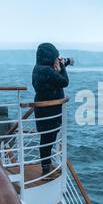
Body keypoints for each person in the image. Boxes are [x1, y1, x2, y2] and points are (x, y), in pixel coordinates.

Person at [32, 43, 70, 176]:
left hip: (42, 110)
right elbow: (64, 81)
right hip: (50, 111)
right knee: (49, 139)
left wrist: (58, 68)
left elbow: (51, 82)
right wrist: (63, 67)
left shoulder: (38, 68)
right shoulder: (47, 70)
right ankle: (46, 168)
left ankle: (46, 165)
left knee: (45, 139)